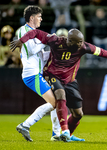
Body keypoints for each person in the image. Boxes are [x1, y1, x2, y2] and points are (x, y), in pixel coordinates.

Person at [10, 28, 107, 142]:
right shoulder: (55, 41)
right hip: (52, 76)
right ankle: (64, 131)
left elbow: (104, 53)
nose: (80, 45)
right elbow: (36, 32)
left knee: (78, 114)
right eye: (77, 42)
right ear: (68, 40)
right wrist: (22, 40)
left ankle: (67, 135)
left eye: (81, 42)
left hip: (69, 81)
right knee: (60, 94)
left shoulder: (84, 47)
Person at [13, 5, 57, 142]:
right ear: (31, 18)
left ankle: (57, 134)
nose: (41, 19)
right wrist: (47, 41)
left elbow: (41, 55)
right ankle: (25, 125)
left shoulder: (35, 33)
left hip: (36, 73)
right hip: (31, 74)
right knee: (54, 102)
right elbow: (31, 50)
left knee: (56, 100)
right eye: (39, 16)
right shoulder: (23, 31)